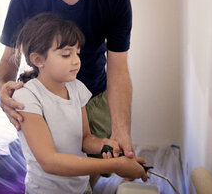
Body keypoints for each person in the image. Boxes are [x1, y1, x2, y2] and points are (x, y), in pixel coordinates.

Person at [0, 0, 134, 168]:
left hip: (93, 95)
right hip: (44, 98)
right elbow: (7, 61)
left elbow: (118, 71)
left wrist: (121, 134)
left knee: (93, 169)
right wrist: (3, 89)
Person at [12, 12, 147, 194]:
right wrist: (116, 165)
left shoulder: (76, 87)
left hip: (81, 188)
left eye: (77, 53)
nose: (76, 60)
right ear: (38, 60)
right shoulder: (27, 97)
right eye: (66, 55)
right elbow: (49, 161)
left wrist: (103, 144)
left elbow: (85, 139)